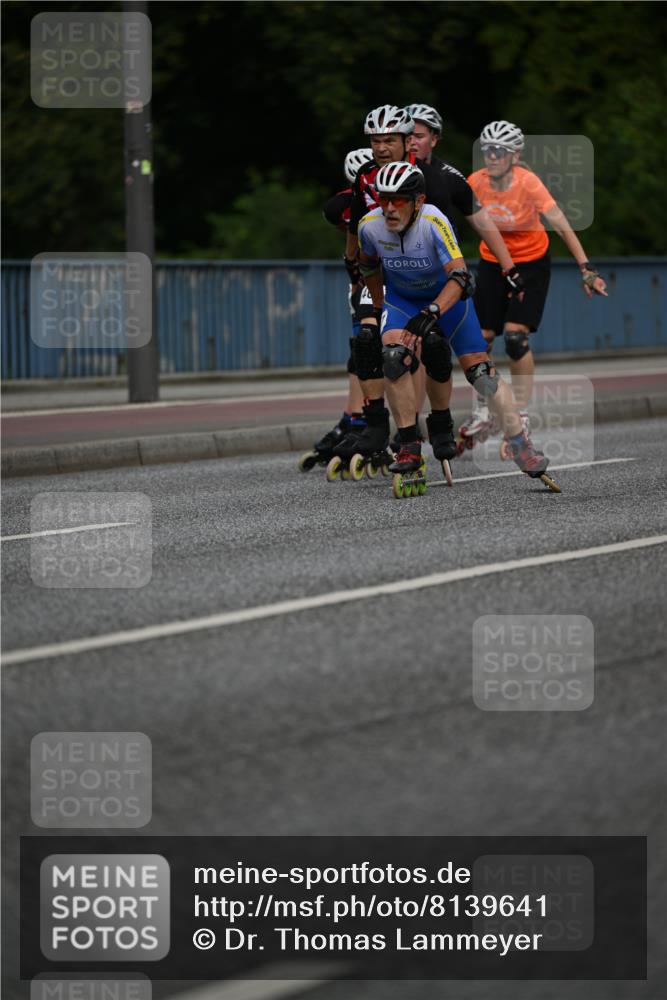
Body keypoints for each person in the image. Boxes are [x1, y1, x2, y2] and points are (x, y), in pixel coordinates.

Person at [352, 161, 559, 495]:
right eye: (384, 198)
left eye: (399, 200)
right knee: (392, 357)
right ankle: (408, 444)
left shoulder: (434, 221)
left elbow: (461, 278)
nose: (389, 207)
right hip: (402, 301)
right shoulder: (369, 225)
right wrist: (377, 308)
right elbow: (367, 265)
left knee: (482, 375)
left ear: (418, 201)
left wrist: (432, 312)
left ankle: (520, 443)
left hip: (447, 300)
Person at [461, 119, 608, 449]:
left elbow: (561, 224)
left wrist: (586, 268)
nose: (492, 157)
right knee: (480, 339)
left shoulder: (528, 183)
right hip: (493, 263)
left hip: (531, 263)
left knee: (514, 337)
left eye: (499, 151)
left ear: (514, 155)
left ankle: (521, 413)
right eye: (487, 150)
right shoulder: (476, 183)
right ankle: (484, 409)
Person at [298, 148, 374, 472]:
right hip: (366, 276)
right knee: (362, 349)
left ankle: (392, 425)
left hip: (398, 274)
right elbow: (351, 238)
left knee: (395, 351)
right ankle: (354, 418)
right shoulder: (343, 207)